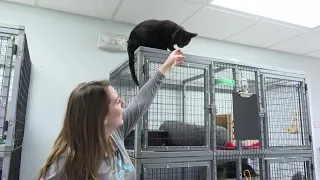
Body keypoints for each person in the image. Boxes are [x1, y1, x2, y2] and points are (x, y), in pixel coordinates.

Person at [37, 49, 185, 180]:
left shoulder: (114, 134)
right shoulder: (65, 163)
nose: (123, 103)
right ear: (102, 117)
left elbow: (140, 102)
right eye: (116, 101)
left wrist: (165, 68)